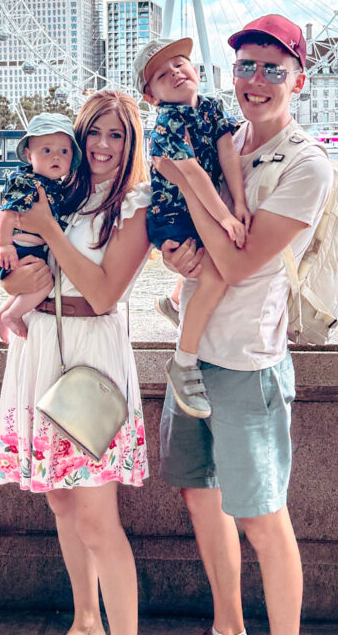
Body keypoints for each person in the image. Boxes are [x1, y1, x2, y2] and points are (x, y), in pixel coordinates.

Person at [153, 15, 334, 635]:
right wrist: (173, 254)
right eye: (245, 68)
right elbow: (189, 234)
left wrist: (187, 180)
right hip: (192, 352)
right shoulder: (223, 134)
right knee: (200, 500)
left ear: (298, 80)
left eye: (272, 70)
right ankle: (226, 626)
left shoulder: (306, 166)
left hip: (246, 364)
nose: (255, 81)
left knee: (261, 517)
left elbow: (232, 261)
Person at [0, 91, 151, 635]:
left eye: (117, 135)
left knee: (96, 516)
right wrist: (14, 277)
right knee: (60, 499)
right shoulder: (57, 190)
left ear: (131, 144)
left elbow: (105, 293)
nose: (103, 146)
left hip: (93, 353)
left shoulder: (135, 203)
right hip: (41, 343)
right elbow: (12, 266)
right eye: (94, 133)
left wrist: (51, 233)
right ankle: (85, 621)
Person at [133, 36, 249, 419]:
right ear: (151, 97)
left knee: (212, 270)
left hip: (203, 205)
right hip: (174, 214)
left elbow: (226, 153)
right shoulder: (167, 123)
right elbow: (194, 175)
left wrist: (241, 201)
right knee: (215, 277)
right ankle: (183, 363)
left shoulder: (213, 107)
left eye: (180, 64)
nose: (176, 74)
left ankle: (177, 302)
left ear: (195, 68)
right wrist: (227, 217)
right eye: (163, 75)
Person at [0, 113, 82, 342]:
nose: (56, 157)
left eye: (64, 151)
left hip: (32, 249)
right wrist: (4, 245)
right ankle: (12, 315)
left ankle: (1, 314)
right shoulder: (25, 181)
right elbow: (7, 213)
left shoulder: (57, 187)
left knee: (34, 284)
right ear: (29, 156)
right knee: (45, 283)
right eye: (46, 150)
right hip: (18, 248)